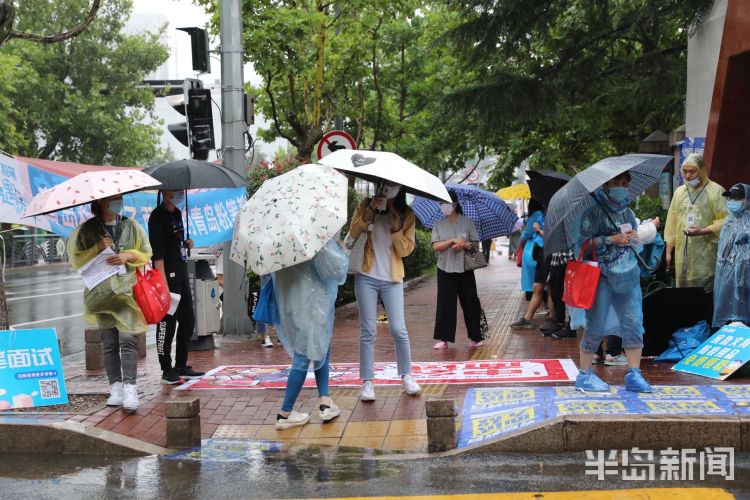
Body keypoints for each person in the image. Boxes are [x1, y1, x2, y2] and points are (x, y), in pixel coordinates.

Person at [68, 195, 152, 411]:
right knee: (109, 343)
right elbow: (76, 260)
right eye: (114, 199)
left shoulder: (130, 226)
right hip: (101, 294)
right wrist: (96, 247)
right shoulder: (87, 230)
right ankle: (115, 387)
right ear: (101, 203)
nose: (118, 202)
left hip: (126, 294)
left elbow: (146, 252)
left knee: (128, 340)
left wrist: (128, 256)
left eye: (119, 198)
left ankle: (130, 388)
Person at [574, 172, 655, 393]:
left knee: (633, 323)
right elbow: (580, 246)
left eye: (623, 183)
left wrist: (634, 240)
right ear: (606, 186)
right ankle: (584, 374)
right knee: (596, 325)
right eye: (615, 183)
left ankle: (634, 374)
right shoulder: (592, 213)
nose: (620, 187)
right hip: (600, 278)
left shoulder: (627, 212)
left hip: (628, 277)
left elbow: (633, 241)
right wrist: (610, 239)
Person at [349, 182, 421, 401]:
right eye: (383, 185)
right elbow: (352, 232)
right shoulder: (365, 204)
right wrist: (370, 209)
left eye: (391, 186)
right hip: (366, 276)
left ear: (400, 189)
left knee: (399, 329)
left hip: (392, 278)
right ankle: (368, 382)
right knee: (368, 331)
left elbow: (406, 250)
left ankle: (407, 375)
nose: (386, 188)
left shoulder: (406, 214)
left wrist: (397, 228)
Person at [272, 238, 348, 429]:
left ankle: (325, 401)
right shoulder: (310, 235)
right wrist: (342, 250)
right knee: (304, 356)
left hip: (293, 302)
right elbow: (334, 270)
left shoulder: (279, 238)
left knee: (322, 348)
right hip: (313, 304)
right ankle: (285, 413)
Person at [148, 190, 204, 384]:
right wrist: (162, 286)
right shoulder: (157, 217)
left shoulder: (178, 213)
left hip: (181, 272)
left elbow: (175, 243)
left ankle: (181, 365)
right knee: (167, 324)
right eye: (175, 189)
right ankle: (166, 370)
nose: (179, 193)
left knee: (188, 320)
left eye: (181, 189)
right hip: (167, 277)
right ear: (164, 192)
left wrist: (186, 243)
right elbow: (158, 256)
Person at [664, 153, 727, 292]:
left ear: (702, 170)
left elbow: (726, 221)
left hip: (706, 255)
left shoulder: (716, 191)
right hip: (682, 257)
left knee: (704, 294)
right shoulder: (679, 192)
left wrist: (703, 231)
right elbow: (671, 223)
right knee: (684, 297)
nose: (687, 176)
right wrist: (669, 251)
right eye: (684, 171)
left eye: (692, 171)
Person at [431, 190, 485, 349]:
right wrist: (451, 241)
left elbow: (475, 243)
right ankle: (443, 339)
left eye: (445, 203)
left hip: (465, 268)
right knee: (445, 304)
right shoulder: (438, 224)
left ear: (454, 204)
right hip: (444, 268)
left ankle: (476, 337)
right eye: (441, 203)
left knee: (470, 302)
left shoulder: (467, 222)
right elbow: (435, 246)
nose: (442, 206)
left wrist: (464, 244)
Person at [215, 250, 273, 347]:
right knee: (258, 299)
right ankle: (263, 334)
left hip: (242, 288)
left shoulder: (243, 254)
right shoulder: (223, 256)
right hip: (227, 291)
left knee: (258, 298)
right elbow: (220, 279)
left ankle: (263, 333)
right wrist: (236, 288)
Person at [713, 184, 750, 327]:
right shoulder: (729, 220)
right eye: (731, 198)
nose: (732, 201)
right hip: (728, 269)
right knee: (729, 304)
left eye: (737, 198)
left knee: (744, 303)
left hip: (746, 271)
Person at [511, 210, 553, 330]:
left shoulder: (555, 215)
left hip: (550, 254)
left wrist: (539, 230)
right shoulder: (541, 214)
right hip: (541, 253)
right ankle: (527, 319)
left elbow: (552, 238)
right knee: (537, 288)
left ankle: (553, 319)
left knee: (551, 288)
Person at [520, 199, 544, 300]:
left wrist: (523, 233)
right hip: (544, 246)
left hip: (533, 248)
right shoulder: (544, 214)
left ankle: (534, 299)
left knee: (532, 277)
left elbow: (526, 235)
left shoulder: (534, 216)